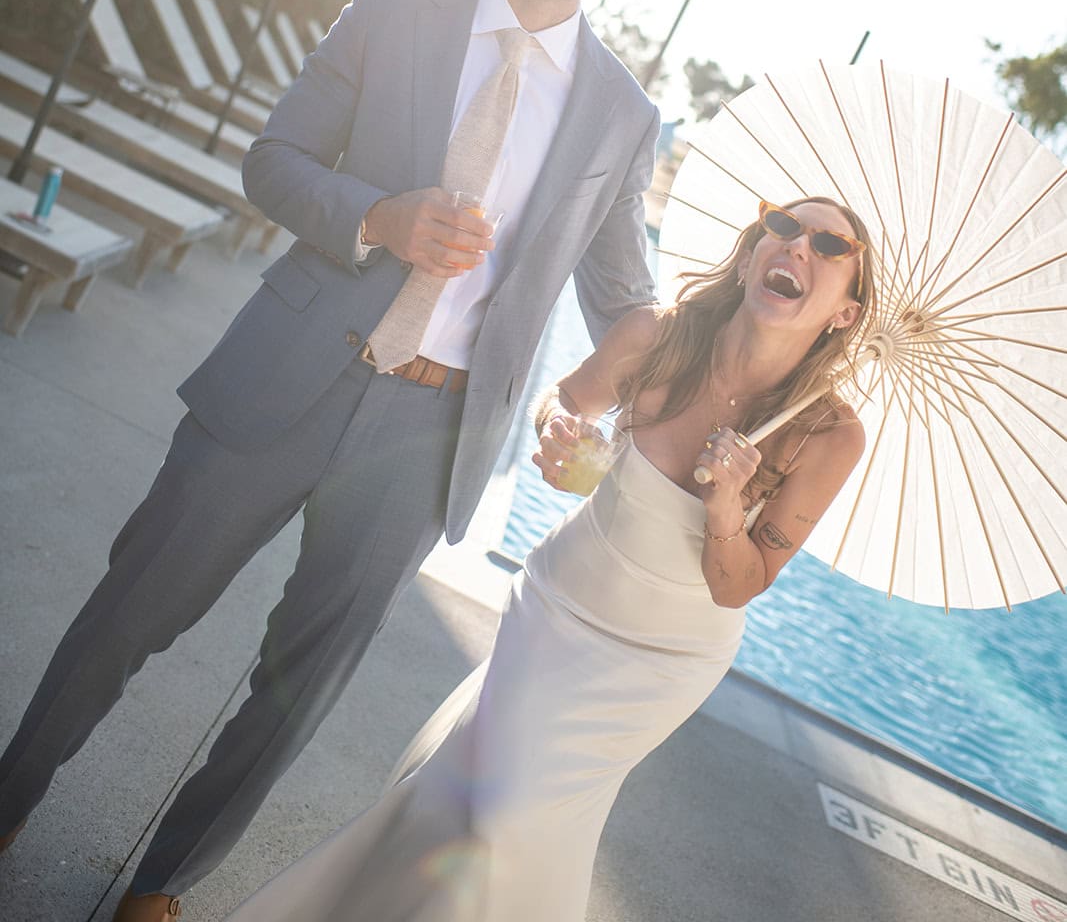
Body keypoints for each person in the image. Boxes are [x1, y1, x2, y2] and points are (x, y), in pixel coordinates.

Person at [0, 0, 661, 921]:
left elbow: (624, 298)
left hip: (428, 440)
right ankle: (15, 790)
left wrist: (654, 384)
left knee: (295, 691)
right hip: (284, 378)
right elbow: (272, 161)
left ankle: (163, 884)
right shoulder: (391, 11)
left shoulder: (621, 114)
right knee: (133, 606)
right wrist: (377, 215)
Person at [221, 195, 873, 922]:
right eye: (782, 227)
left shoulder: (826, 435)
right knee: (481, 805)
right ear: (753, 249)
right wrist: (564, 437)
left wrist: (727, 506)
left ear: (844, 312)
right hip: (561, 607)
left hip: (660, 664)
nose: (797, 248)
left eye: (829, 246)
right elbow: (564, 403)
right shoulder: (656, 334)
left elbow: (738, 586)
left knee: (514, 815)